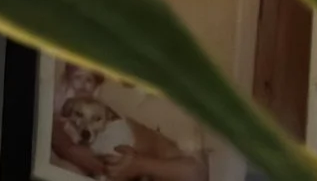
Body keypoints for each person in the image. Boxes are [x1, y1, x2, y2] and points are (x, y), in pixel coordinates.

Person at [48, 63, 219, 181]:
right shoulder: (97, 87)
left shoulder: (178, 107)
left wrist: (139, 165)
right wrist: (70, 149)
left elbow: (197, 174)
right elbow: (55, 122)